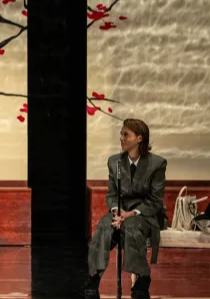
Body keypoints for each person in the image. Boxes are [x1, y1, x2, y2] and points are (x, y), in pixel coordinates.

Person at [84, 118, 168, 299]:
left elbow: (155, 200)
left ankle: (142, 277)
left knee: (131, 225)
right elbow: (111, 194)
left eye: (125, 135)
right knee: (105, 223)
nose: (121, 138)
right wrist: (116, 211)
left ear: (139, 138)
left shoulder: (157, 164)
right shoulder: (114, 162)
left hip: (144, 214)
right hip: (121, 212)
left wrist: (130, 214)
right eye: (121, 134)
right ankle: (94, 276)